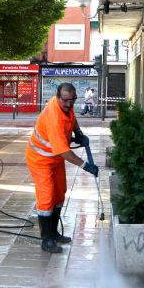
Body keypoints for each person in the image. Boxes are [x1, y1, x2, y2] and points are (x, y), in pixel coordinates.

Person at [26, 83, 99, 253]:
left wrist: (78, 133)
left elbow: (72, 119)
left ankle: (54, 233)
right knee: (47, 196)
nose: (68, 104)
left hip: (55, 159)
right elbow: (64, 151)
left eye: (71, 100)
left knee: (59, 193)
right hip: (39, 159)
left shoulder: (68, 107)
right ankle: (47, 240)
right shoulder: (54, 116)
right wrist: (85, 165)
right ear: (58, 97)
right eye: (65, 101)